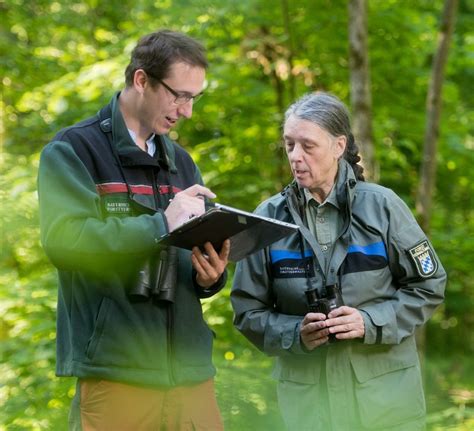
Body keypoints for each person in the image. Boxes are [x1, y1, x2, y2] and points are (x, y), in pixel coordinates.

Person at [38, 29, 230, 430]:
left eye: (194, 98)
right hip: (116, 371)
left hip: (191, 374)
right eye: (179, 95)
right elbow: (64, 243)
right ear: (141, 80)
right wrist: (160, 223)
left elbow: (189, 257)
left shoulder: (182, 162)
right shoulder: (74, 150)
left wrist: (209, 277)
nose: (187, 111)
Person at [231, 92, 446, 431]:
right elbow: (247, 312)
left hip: (386, 409)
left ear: (338, 146)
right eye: (289, 145)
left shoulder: (383, 208)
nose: (295, 157)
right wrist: (294, 333)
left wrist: (370, 321)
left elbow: (429, 285)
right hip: (309, 412)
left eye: (307, 146)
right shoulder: (269, 220)